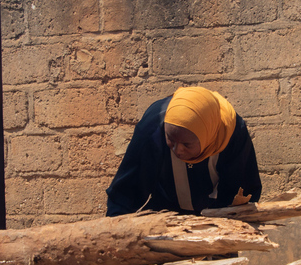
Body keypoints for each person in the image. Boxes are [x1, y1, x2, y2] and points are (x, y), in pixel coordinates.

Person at [106, 86, 261, 216]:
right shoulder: (152, 129)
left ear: (208, 136)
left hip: (217, 217)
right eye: (171, 140)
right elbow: (126, 192)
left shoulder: (231, 133)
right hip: (165, 212)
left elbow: (242, 192)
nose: (178, 150)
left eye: (187, 144)